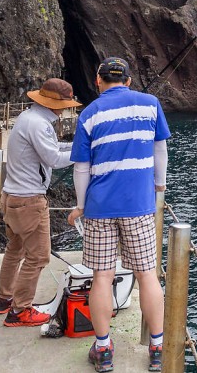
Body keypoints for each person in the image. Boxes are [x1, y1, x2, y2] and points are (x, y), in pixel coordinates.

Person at [67, 57, 169, 373]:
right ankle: (157, 348)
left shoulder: (89, 113)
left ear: (98, 81)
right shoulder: (150, 104)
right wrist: (159, 187)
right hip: (139, 206)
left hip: (99, 208)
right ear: (127, 80)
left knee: (101, 277)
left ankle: (103, 350)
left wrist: (81, 205)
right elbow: (160, 151)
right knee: (147, 275)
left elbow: (81, 168)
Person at [0, 78, 81, 327]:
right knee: (38, 257)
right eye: (63, 103)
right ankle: (20, 310)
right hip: (29, 201)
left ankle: (5, 300)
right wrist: (83, 154)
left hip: (11, 196)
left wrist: (77, 146)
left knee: (15, 249)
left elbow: (53, 148)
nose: (65, 108)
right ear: (54, 103)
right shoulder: (39, 125)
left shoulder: (28, 118)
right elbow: (53, 158)